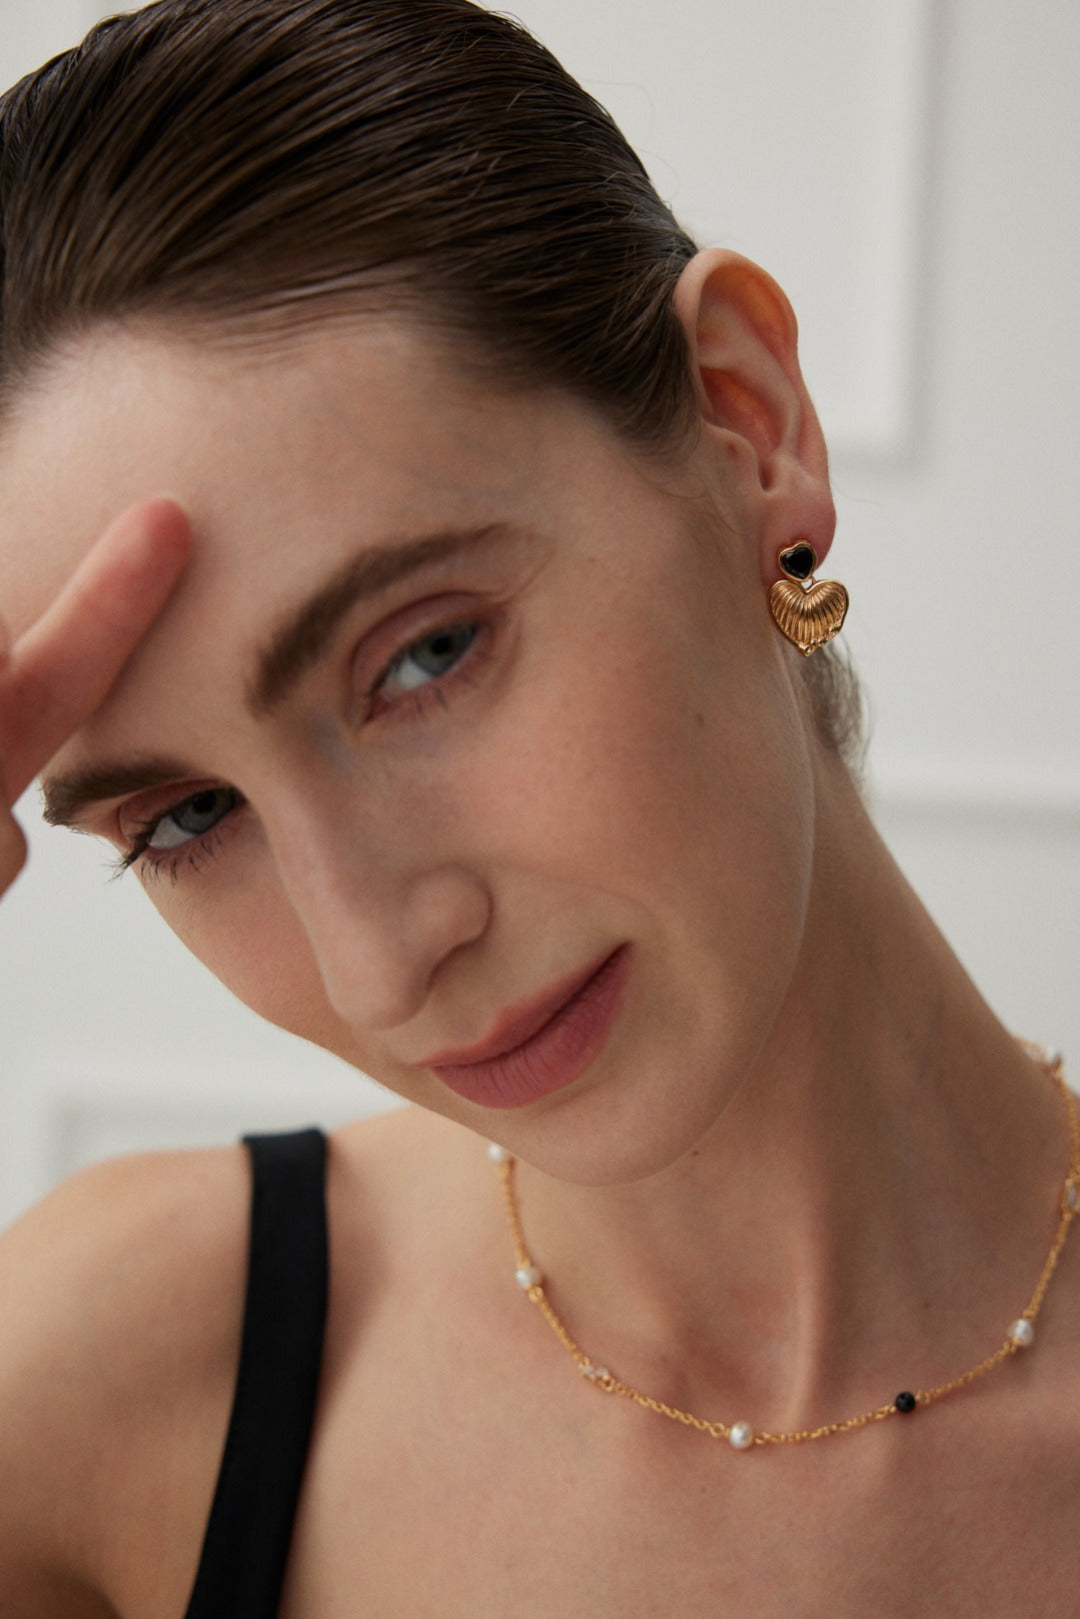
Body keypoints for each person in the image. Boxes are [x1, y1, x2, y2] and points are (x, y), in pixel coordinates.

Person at [0, 0, 1077, 1613]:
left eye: (424, 656)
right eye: (186, 819)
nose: (379, 963)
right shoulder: (115, 1384)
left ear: (742, 418)